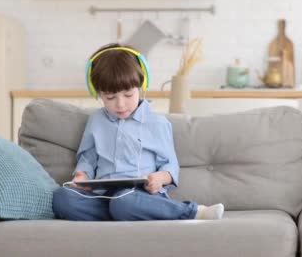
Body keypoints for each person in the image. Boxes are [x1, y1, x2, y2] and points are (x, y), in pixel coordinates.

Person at [52, 43, 224, 221]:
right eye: (110, 97)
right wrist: (81, 176)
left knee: (124, 202)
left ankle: (192, 211)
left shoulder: (157, 123)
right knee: (62, 198)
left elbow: (170, 166)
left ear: (141, 86)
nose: (120, 104)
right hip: (104, 196)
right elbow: (87, 158)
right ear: (97, 93)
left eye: (128, 95)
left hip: (140, 195)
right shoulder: (96, 121)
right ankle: (120, 214)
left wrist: (160, 178)